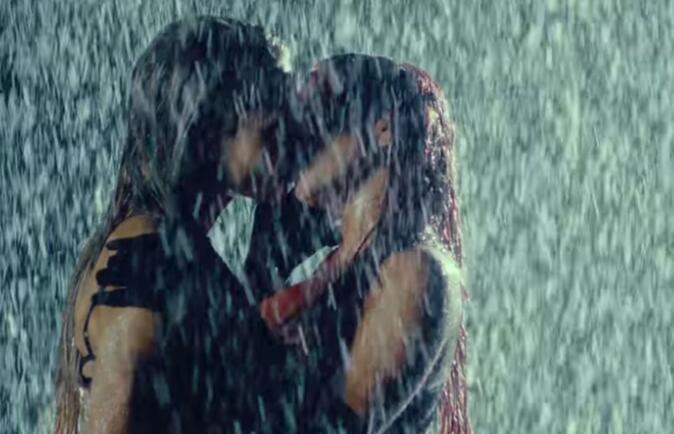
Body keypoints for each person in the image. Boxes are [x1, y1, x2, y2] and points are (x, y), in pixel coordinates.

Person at [54, 16, 330, 434]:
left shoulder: (163, 250)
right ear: (209, 125)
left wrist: (266, 267)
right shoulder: (149, 261)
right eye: (274, 112)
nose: (295, 133)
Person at [255, 54, 471, 433]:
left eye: (316, 124)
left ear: (383, 130)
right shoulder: (343, 261)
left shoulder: (413, 271)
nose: (296, 147)